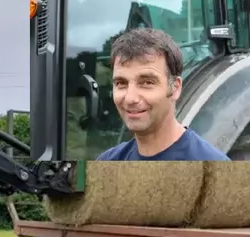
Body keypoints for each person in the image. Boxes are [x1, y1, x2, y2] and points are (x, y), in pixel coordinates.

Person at [95, 28, 230, 161]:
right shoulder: (107, 161)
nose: (130, 98)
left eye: (147, 83)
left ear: (175, 88)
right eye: (121, 83)